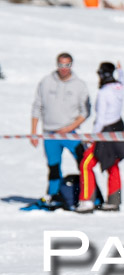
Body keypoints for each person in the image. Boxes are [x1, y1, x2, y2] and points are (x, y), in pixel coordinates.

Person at [30, 52, 90, 208]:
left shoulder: (80, 85)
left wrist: (69, 128)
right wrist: (34, 132)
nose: (64, 68)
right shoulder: (46, 82)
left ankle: (89, 196)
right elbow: (37, 107)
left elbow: (85, 112)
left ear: (71, 65)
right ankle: (53, 196)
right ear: (57, 64)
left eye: (67, 65)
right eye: (61, 65)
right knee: (53, 167)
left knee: (83, 164)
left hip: (71, 134)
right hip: (50, 134)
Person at [76, 61, 124, 213]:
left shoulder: (104, 92)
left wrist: (92, 137)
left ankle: (87, 200)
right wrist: (120, 71)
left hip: (104, 131)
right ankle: (114, 201)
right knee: (113, 165)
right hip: (118, 128)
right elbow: (123, 80)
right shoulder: (118, 87)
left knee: (86, 164)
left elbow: (100, 119)